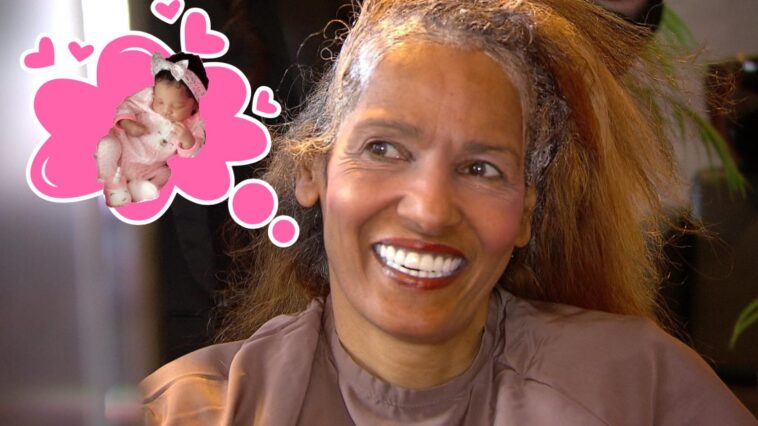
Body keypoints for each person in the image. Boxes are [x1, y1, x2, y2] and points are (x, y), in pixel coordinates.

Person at [141, 0, 756, 424]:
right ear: (313, 174)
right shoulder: (190, 410)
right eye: (384, 150)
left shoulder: (637, 388)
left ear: (527, 210)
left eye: (481, 168)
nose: (430, 211)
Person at [96, 52, 208, 207]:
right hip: (123, 151)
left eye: (176, 106)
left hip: (149, 168)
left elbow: (193, 151)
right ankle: (111, 182)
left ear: (194, 104)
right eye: (160, 102)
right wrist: (127, 123)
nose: (166, 110)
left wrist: (187, 139)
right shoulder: (148, 95)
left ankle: (138, 190)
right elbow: (128, 105)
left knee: (165, 173)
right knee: (108, 144)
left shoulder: (194, 124)